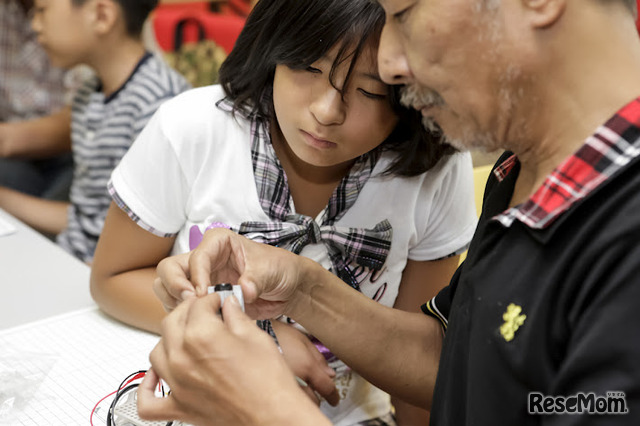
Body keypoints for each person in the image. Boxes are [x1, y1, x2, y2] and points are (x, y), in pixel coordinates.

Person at [137, 0, 640, 425]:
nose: (394, 64)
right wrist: (304, 287)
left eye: (404, 12)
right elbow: (462, 360)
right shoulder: (522, 170)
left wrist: (267, 409)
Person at [90, 0, 477, 423]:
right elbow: (114, 277)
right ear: (273, 47)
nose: (326, 112)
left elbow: (419, 366)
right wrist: (262, 335)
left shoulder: (433, 169)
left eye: (370, 91)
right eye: (307, 68)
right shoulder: (192, 128)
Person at [0, 0, 191, 261]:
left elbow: (144, 242)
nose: (35, 26)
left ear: (101, 15)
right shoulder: (88, 95)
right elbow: (86, 219)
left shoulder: (158, 106)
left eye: (43, 11)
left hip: (104, 274)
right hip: (72, 258)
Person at [0, 0, 79, 201]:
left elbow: (81, 121)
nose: (36, 26)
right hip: (14, 153)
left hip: (72, 155)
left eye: (42, 12)